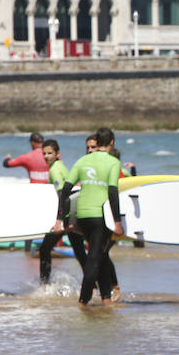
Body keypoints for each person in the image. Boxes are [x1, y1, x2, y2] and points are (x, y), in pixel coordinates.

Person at [53, 128, 123, 306]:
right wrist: (117, 221)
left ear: (97, 143)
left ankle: (106, 298)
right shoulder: (113, 162)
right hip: (101, 216)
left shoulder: (82, 160)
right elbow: (113, 192)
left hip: (82, 216)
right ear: (112, 143)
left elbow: (65, 190)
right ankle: (84, 300)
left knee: (101, 254)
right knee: (94, 258)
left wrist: (61, 218)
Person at [37, 139, 87, 284]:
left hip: (64, 215)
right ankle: (94, 284)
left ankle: (44, 285)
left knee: (44, 249)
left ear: (57, 153)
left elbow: (61, 194)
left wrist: (59, 220)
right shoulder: (59, 165)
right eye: (44, 153)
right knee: (79, 251)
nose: (46, 156)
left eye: (50, 153)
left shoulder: (55, 169)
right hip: (71, 213)